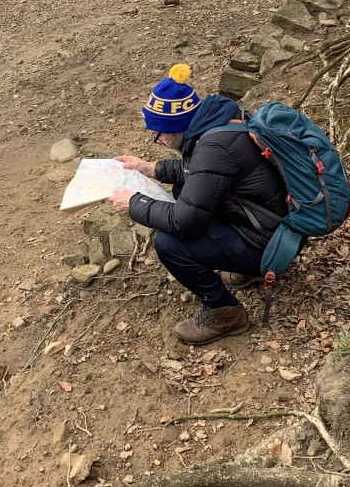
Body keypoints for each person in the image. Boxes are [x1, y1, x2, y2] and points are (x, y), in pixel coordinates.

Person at [110, 64, 286, 345]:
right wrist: (150, 168)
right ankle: (244, 267)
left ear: (176, 127)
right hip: (276, 227)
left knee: (169, 243)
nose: (160, 141)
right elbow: (202, 174)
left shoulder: (213, 148)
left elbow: (184, 220)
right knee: (183, 189)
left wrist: (134, 203)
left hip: (269, 243)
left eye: (159, 134)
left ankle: (226, 314)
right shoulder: (219, 123)